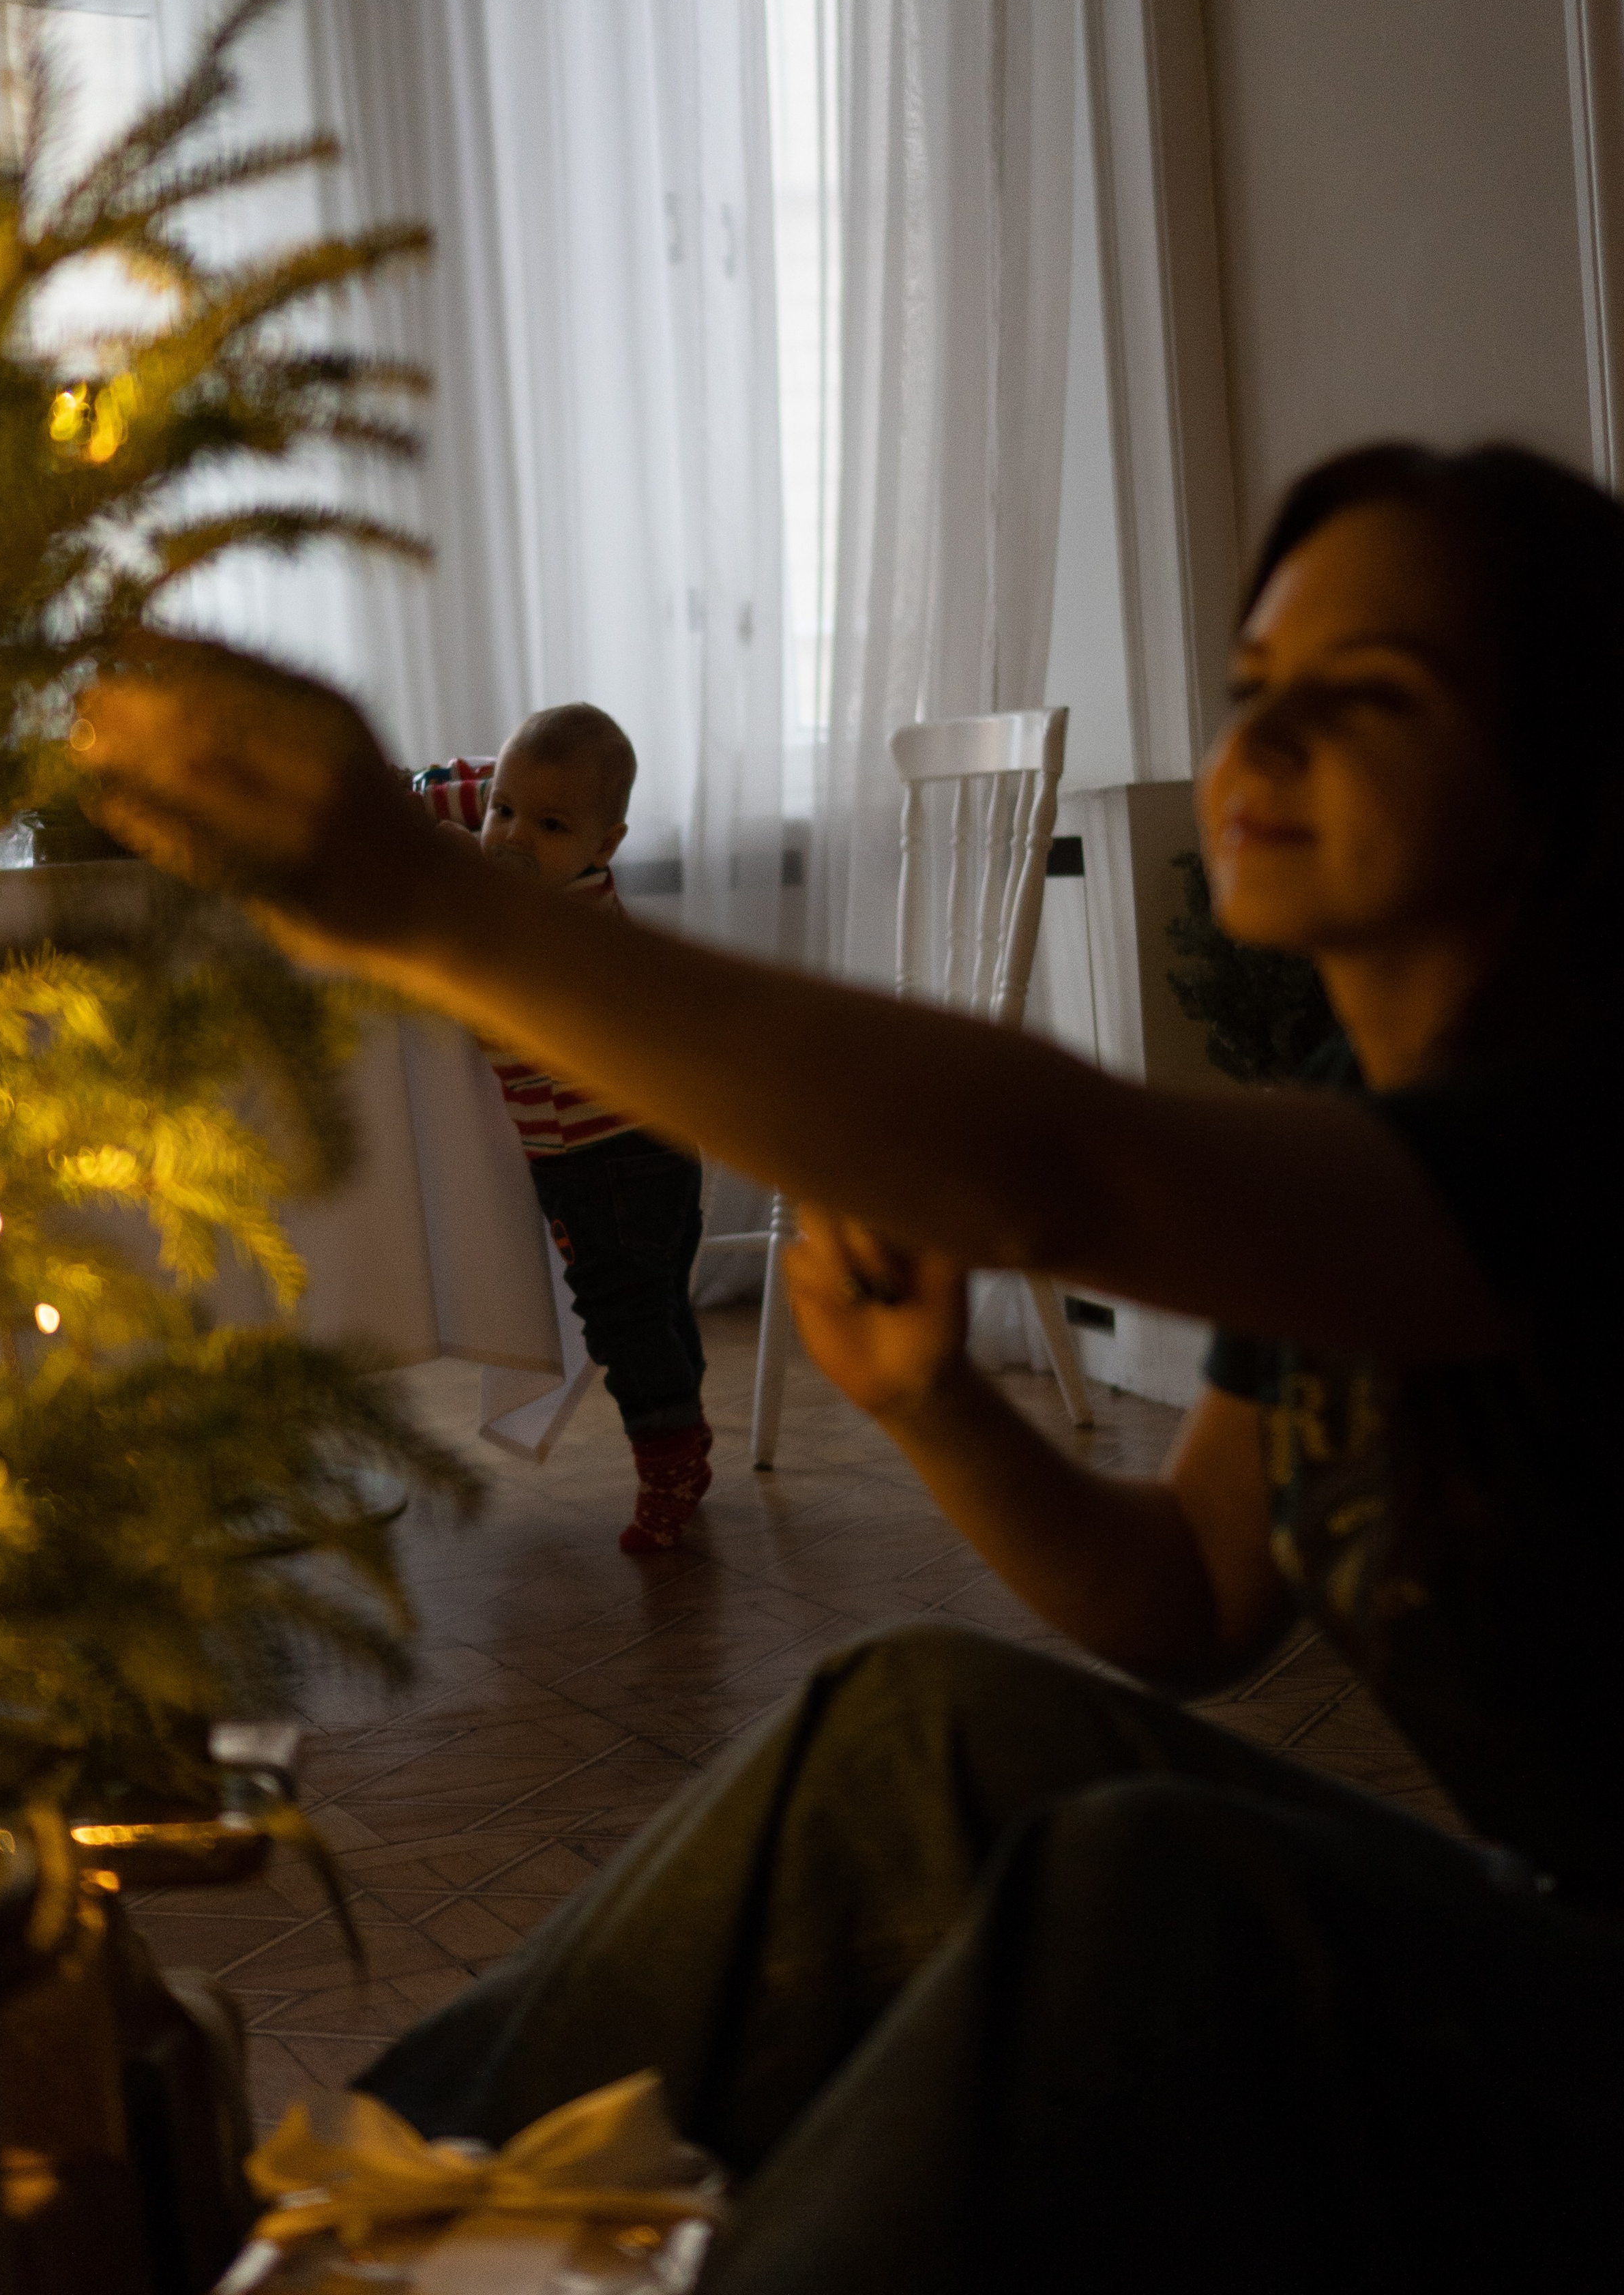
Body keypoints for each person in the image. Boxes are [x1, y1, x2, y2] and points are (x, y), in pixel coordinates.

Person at [81, 441, 1624, 2290]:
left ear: (1563, 780)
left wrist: (430, 902)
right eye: (1251, 689)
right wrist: (940, 1404)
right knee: (916, 1722)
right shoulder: (1361, 1125)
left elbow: (1051, 1166)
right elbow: (1199, 1591)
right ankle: (329, 2241)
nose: (1260, 743)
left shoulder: (1580, 1132)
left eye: (1367, 698)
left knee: (1149, 1890)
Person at [414, 706, 712, 1552]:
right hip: (652, 1140)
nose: (509, 836)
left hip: (607, 1157)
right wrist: (435, 792)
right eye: (503, 810)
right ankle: (682, 1433)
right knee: (655, 1304)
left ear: (604, 847)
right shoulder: (529, 855)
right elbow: (474, 794)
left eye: (547, 826)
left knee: (621, 1315)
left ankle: (664, 1455)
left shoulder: (553, 920)